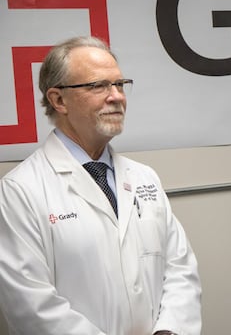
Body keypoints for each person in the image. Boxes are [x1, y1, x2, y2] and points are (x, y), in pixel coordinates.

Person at [0, 36, 202, 334]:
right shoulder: (21, 190)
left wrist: (169, 330)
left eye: (120, 84)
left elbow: (180, 269)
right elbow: (32, 308)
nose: (117, 97)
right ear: (58, 100)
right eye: (98, 86)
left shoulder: (144, 178)